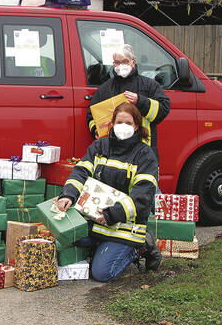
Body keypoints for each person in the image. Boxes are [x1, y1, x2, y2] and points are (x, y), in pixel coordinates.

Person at [58, 102, 162, 282]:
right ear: (112, 124)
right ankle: (101, 245)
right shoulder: (100, 146)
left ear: (136, 126)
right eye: (119, 122)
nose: (123, 127)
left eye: (128, 123)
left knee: (101, 273)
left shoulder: (145, 154)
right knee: (64, 236)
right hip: (96, 221)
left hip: (124, 225)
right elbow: (81, 172)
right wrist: (68, 195)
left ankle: (141, 246)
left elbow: (142, 196)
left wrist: (113, 214)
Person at [86, 44, 170, 159]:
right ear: (113, 64)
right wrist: (95, 130)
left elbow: (164, 108)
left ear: (133, 62)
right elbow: (91, 115)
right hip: (113, 151)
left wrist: (140, 101)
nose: (121, 65)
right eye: (117, 62)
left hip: (142, 149)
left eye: (125, 61)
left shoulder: (149, 86)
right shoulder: (105, 89)